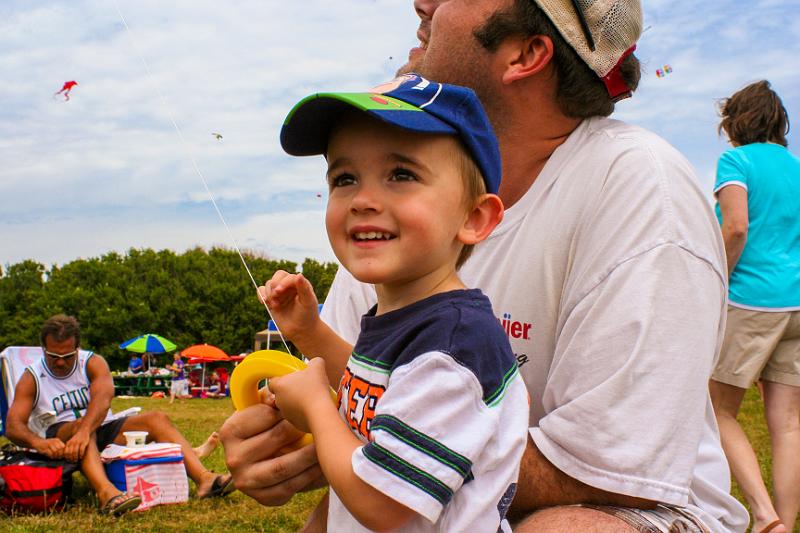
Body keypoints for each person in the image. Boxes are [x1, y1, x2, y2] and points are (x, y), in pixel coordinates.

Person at [221, 1, 750, 532]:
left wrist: (373, 448)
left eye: (401, 174)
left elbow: (605, 470)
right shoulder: (392, 224)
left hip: (633, 507)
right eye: (344, 179)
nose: (421, 3)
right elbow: (356, 393)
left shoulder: (640, 188)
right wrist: (291, 439)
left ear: (525, 52)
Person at [261, 77, 528, 531]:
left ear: (474, 218)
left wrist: (316, 408)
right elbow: (381, 389)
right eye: (344, 178)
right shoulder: (409, 317)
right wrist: (309, 333)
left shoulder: (456, 345)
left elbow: (383, 501)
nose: (363, 200)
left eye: (401, 174)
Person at [5, 314, 235, 516]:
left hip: (96, 426)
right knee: (79, 428)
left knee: (156, 419)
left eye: (68, 356)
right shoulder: (32, 376)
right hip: (59, 433)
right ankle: (107, 494)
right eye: (53, 355)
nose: (61, 362)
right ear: (43, 349)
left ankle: (205, 480)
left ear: (78, 348)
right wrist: (40, 443)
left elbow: (104, 398)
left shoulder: (92, 362)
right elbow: (13, 426)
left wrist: (86, 431)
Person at [709, 80, 800, 533]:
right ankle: (785, 523)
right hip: (796, 305)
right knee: (787, 425)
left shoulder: (736, 160)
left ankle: (765, 519)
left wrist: (716, 280)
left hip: (751, 300)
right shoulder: (796, 167)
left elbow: (736, 228)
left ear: (736, 121)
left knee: (718, 409)